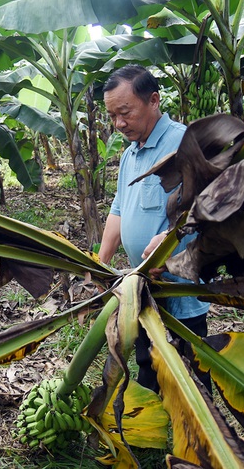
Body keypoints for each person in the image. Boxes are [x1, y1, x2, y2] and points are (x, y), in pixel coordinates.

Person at [98, 64, 210, 393]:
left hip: (178, 288)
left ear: (154, 100)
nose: (119, 123)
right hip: (143, 286)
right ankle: (152, 433)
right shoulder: (131, 153)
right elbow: (120, 208)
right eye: (112, 116)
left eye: (125, 112)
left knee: (188, 368)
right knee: (148, 361)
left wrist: (170, 239)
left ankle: (202, 434)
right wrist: (100, 261)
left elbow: (211, 208)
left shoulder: (184, 144)